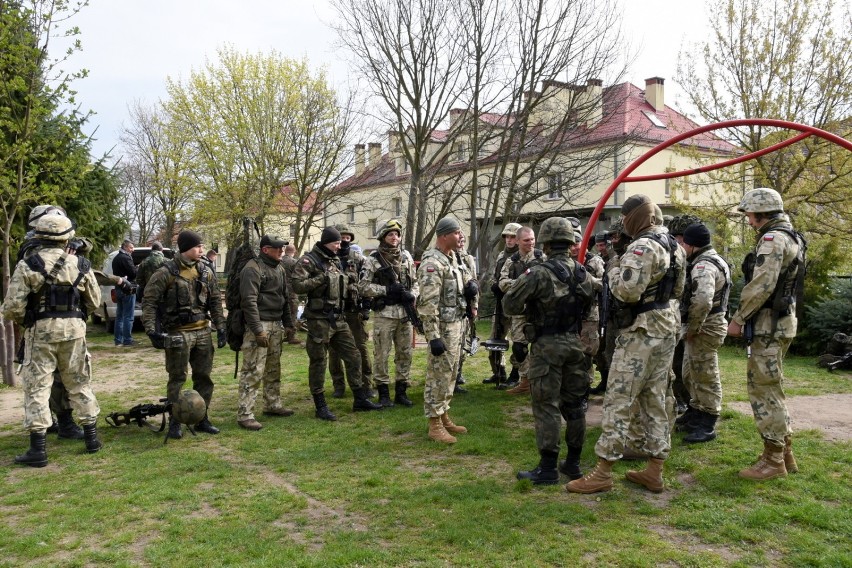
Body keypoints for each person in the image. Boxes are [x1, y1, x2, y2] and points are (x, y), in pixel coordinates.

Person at [567, 194, 685, 494]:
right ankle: (655, 469)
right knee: (655, 398)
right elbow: (679, 289)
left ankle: (603, 470)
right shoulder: (674, 246)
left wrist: (614, 267)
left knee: (618, 398)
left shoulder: (642, 246)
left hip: (640, 333)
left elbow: (626, 291)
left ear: (636, 218)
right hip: (666, 327)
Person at [2, 213, 103, 467]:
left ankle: (38, 450)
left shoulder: (29, 264)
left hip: (41, 331)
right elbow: (94, 302)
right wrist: (75, 317)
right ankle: (92, 438)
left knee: (38, 386)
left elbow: (12, 307)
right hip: (75, 331)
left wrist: (31, 321)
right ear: (67, 236)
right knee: (79, 382)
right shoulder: (81, 265)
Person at [504, 217, 595, 484]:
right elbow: (589, 306)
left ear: (544, 241)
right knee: (576, 406)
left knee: (546, 406)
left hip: (547, 346)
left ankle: (547, 469)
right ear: (569, 242)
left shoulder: (539, 272)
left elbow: (510, 304)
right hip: (575, 344)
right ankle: (574, 464)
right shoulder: (582, 273)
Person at [727, 188, 805, 480]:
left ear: (761, 212)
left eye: (749, 213)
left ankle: (774, 461)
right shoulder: (790, 235)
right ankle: (784, 453)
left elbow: (761, 285)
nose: (748, 219)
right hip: (780, 324)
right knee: (773, 388)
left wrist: (737, 319)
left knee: (765, 391)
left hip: (768, 326)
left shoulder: (772, 240)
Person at [142, 230, 227, 439]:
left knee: (204, 378)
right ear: (186, 248)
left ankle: (202, 418)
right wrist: (151, 330)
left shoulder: (205, 271)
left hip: (203, 332)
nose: (201, 250)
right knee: (177, 378)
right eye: (197, 246)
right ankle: (175, 421)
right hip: (178, 333)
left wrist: (221, 325)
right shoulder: (166, 272)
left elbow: (215, 300)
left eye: (200, 246)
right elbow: (149, 301)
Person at [291, 226, 382, 420]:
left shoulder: (335, 260)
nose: (340, 245)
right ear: (326, 242)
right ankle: (320, 405)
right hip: (318, 321)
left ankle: (360, 398)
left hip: (339, 319)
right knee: (318, 362)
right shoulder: (309, 260)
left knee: (354, 355)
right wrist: (321, 278)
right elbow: (297, 286)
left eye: (340, 242)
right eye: (336, 242)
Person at [416, 216, 477, 444]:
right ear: (444, 235)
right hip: (442, 328)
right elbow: (427, 304)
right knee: (439, 375)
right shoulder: (433, 262)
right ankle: (434, 424)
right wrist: (433, 337)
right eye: (457, 233)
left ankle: (444, 416)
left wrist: (470, 287)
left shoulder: (453, 259)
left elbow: (463, 282)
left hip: (457, 324)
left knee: (451, 374)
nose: (461, 236)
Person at [234, 235, 296, 430]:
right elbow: (249, 302)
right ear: (265, 249)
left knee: (273, 368)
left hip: (275, 324)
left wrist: (288, 323)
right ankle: (245, 414)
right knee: (253, 370)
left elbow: (284, 298)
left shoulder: (279, 268)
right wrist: (258, 330)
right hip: (258, 325)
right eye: (277, 248)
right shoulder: (253, 269)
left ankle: (272, 404)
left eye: (282, 248)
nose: (281, 251)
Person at [678, 222, 731, 443]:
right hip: (706, 324)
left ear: (691, 245)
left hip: (706, 326)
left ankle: (708, 421)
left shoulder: (703, 266)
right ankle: (696, 412)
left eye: (683, 243)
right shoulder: (710, 259)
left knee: (705, 374)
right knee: (692, 372)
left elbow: (701, 301)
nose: (681, 247)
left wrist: (692, 328)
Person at [358, 219, 419, 408]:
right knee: (381, 355)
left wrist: (412, 294)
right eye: (390, 234)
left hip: (404, 314)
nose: (395, 238)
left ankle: (401, 391)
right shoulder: (373, 259)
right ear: (383, 237)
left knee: (405, 353)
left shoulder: (407, 257)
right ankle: (384, 393)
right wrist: (385, 291)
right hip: (384, 314)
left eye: (397, 234)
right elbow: (362, 286)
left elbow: (415, 281)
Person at [327, 224, 374, 400]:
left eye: (347, 237)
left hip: (354, 311)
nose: (345, 240)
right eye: (341, 237)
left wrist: (366, 307)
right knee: (334, 351)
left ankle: (366, 384)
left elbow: (366, 283)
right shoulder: (327, 258)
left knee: (360, 348)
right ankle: (338, 385)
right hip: (334, 312)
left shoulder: (359, 259)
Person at [498, 226, 545, 394]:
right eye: (526, 240)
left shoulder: (542, 258)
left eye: (532, 239)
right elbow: (502, 282)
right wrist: (522, 283)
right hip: (519, 311)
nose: (531, 243)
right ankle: (525, 381)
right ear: (518, 241)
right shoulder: (512, 261)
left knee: (542, 346)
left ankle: (541, 382)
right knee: (519, 348)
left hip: (540, 310)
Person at [484, 222, 521, 388]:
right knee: (495, 339)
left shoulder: (523, 257)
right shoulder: (501, 256)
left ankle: (516, 373)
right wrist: (494, 285)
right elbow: (495, 276)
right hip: (501, 305)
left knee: (519, 341)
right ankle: (498, 371)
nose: (509, 240)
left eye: (513, 236)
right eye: (507, 236)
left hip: (517, 306)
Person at [454, 232, 479, 394]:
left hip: (467, 304)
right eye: (459, 240)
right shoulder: (448, 256)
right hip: (453, 305)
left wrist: (474, 305)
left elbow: (474, 282)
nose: (461, 243)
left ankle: (458, 373)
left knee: (464, 341)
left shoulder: (468, 259)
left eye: (464, 241)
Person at [112, 239, 137, 346]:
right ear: (125, 247)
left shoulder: (116, 258)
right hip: (127, 289)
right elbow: (133, 273)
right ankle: (127, 340)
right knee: (128, 316)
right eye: (131, 247)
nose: (133, 250)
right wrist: (137, 268)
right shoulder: (126, 258)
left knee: (119, 316)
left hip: (118, 288)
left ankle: (118, 340)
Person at [281, 243, 303, 345]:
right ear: (295, 251)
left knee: (282, 313)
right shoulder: (294, 262)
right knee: (292, 313)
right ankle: (291, 336)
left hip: (279, 291)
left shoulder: (279, 261)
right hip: (291, 292)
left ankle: (283, 334)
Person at [136, 241, 166, 305]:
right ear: (161, 249)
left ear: (152, 249)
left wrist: (147, 286)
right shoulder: (167, 261)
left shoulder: (144, 262)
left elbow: (138, 280)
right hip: (164, 296)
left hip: (149, 295)